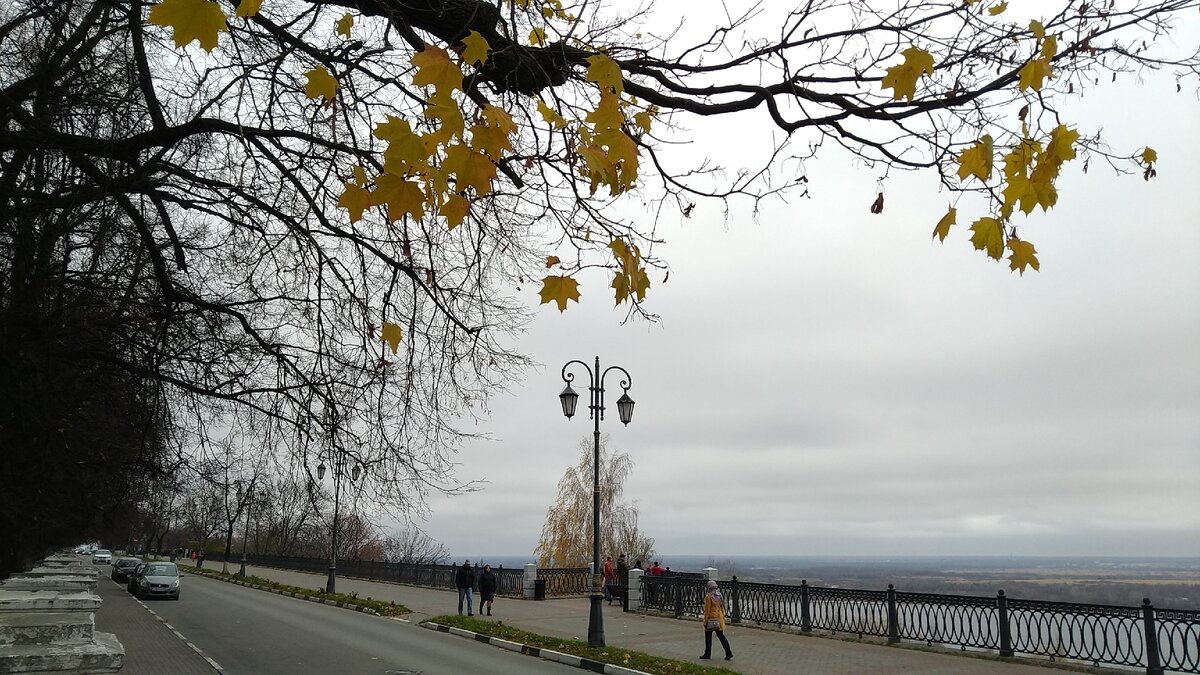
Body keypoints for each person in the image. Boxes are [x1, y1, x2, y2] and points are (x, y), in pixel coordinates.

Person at [700, 580, 733, 661]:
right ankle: (728, 653)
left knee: (708, 637)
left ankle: (707, 654)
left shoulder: (708, 596)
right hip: (719, 617)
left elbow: (707, 610)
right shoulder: (719, 595)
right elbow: (722, 606)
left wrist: (705, 621)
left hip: (711, 618)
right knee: (721, 636)